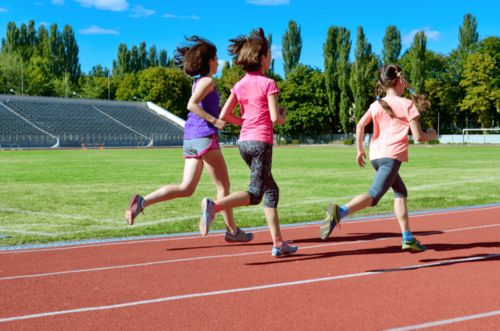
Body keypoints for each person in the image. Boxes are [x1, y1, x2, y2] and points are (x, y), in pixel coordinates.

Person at [124, 36, 253, 243]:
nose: (219, 61)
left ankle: (141, 202)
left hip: (191, 138)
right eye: (216, 57)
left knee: (186, 188)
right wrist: (215, 121)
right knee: (223, 187)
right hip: (204, 136)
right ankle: (233, 231)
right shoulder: (208, 81)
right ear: (209, 60)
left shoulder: (198, 82)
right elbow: (191, 105)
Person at [198, 28, 297, 257]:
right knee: (255, 194)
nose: (271, 58)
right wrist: (281, 117)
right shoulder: (268, 83)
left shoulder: (240, 84)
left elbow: (224, 114)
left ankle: (278, 243)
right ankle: (215, 206)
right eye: (269, 54)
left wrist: (244, 121)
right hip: (261, 142)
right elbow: (274, 118)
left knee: (271, 190)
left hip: (244, 142)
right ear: (262, 59)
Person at [319, 64, 437, 252]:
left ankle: (407, 237)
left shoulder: (376, 105)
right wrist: (432, 134)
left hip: (376, 157)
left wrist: (359, 150)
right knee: (373, 196)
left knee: (401, 192)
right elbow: (418, 136)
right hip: (391, 157)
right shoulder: (407, 104)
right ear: (400, 81)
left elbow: (359, 125)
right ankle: (339, 212)